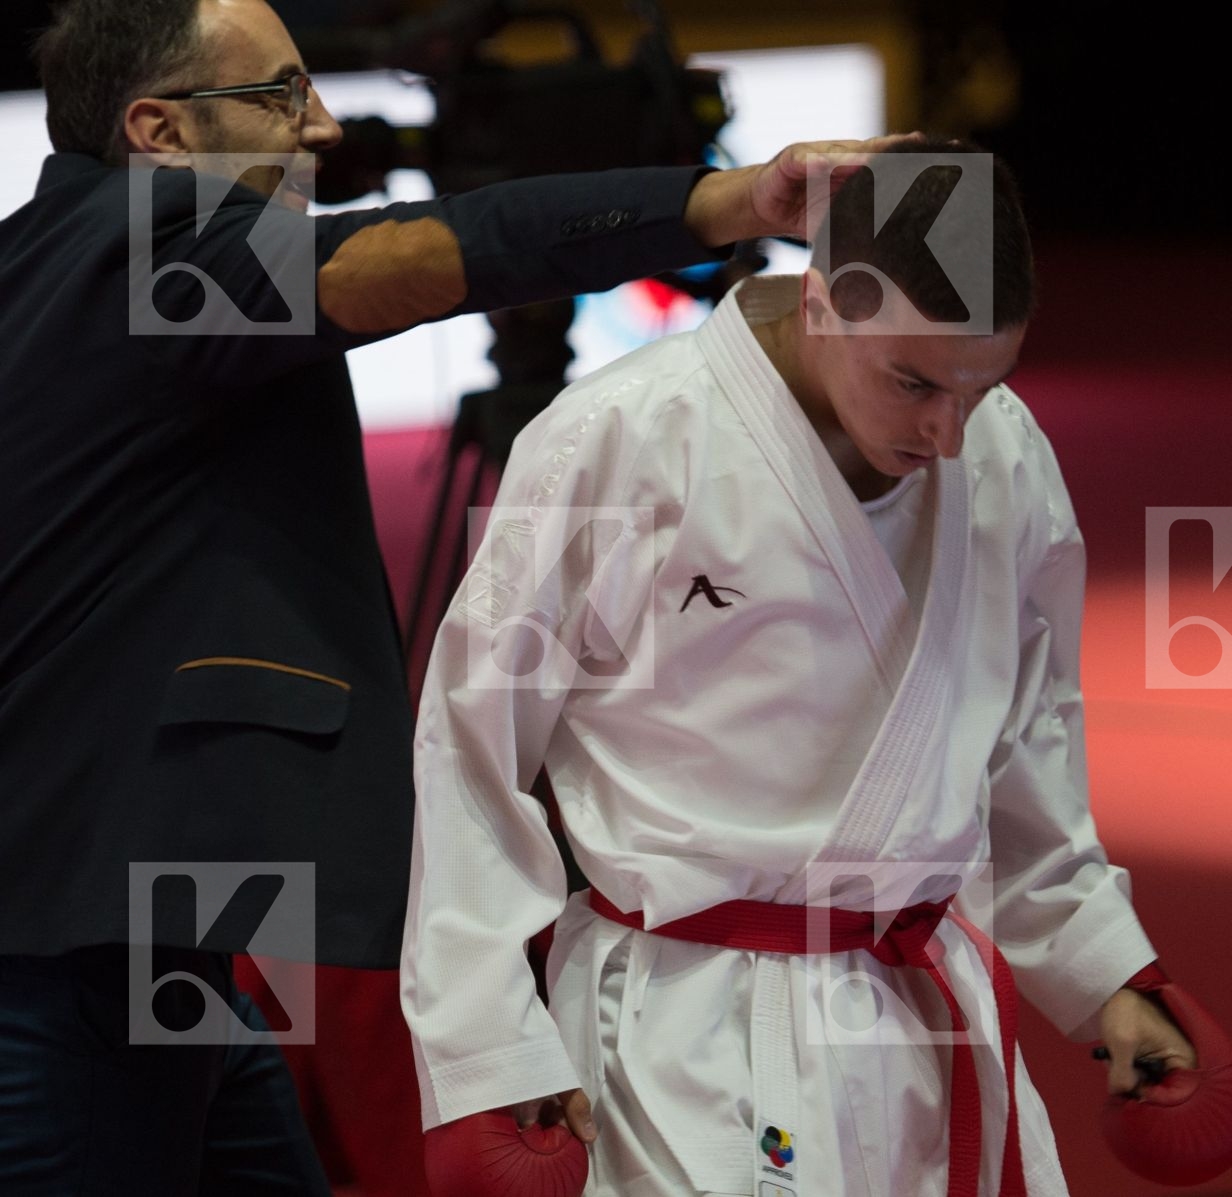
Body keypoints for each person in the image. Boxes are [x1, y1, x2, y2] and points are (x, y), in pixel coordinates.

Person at [0, 0, 910, 1192]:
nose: (321, 127)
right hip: (62, 976)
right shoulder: (153, 252)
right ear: (159, 130)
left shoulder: (49, 259)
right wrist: (728, 203)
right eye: (277, 97)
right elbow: (431, 254)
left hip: (146, 966)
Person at [402, 139, 1197, 1196]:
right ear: (821, 304)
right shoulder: (624, 439)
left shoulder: (1006, 450)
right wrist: (488, 1047)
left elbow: (1027, 736)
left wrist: (1106, 977)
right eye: (912, 380)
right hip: (685, 1034)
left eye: (983, 384)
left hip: (923, 1025)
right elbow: (471, 744)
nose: (948, 434)